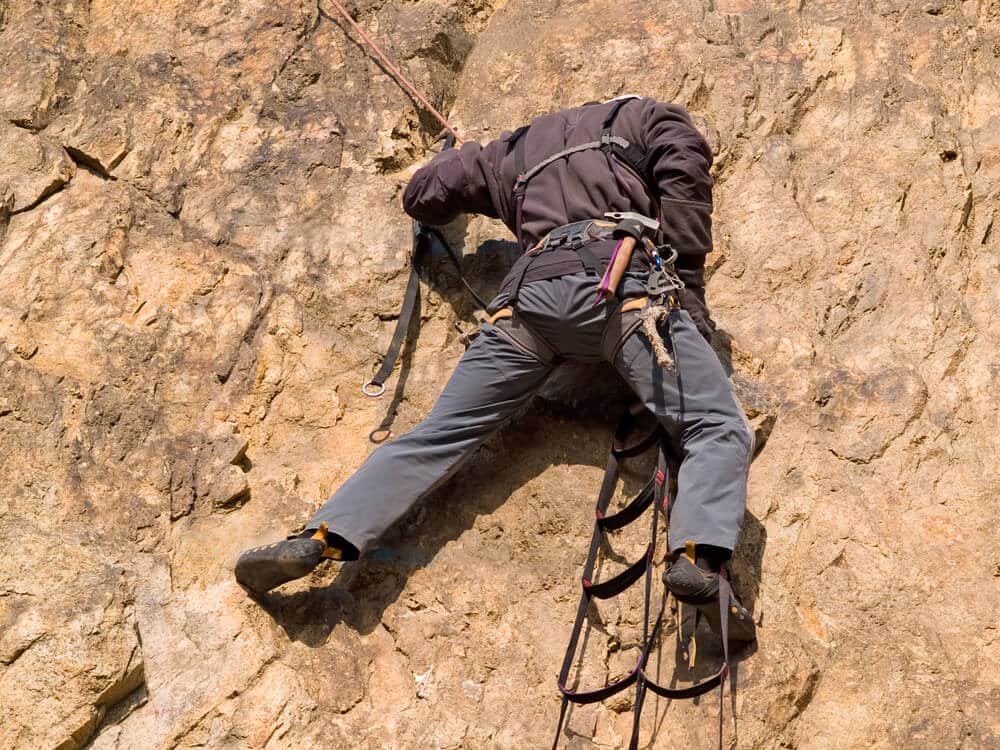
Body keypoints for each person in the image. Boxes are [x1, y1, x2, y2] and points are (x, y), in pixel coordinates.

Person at [235, 95, 755, 641]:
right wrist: (687, 282)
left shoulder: (511, 152)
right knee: (715, 425)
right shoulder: (647, 117)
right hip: (616, 289)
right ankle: (697, 555)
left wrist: (453, 160)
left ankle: (323, 535)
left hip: (526, 308)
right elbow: (685, 167)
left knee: (438, 435)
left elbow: (423, 196)